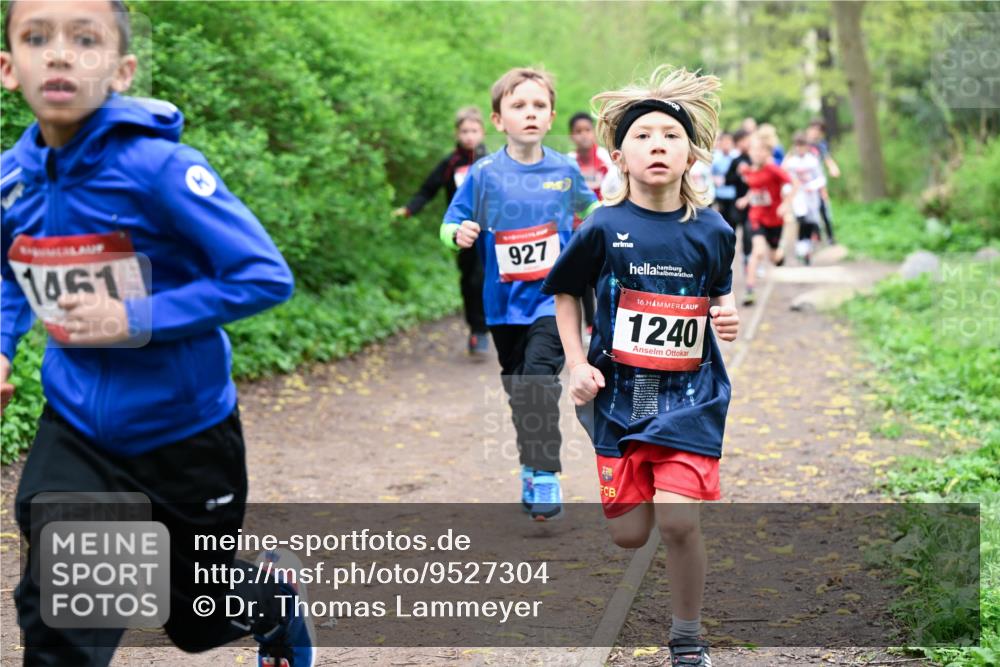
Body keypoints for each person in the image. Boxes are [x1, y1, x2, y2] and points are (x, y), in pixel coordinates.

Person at [0, 2, 312, 665]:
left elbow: (262, 275)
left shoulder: (158, 169)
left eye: (85, 40)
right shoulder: (11, 180)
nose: (58, 53)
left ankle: (273, 600)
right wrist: (0, 346)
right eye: (36, 38)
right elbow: (9, 268)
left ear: (121, 70)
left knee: (195, 618)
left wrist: (134, 317)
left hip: (185, 431)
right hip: (78, 427)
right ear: (9, 68)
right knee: (65, 613)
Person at [542, 65, 739, 667]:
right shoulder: (603, 226)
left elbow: (719, 294)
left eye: (670, 136)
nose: (658, 144)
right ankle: (640, 476)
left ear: (691, 155)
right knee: (630, 534)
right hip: (619, 397)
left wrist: (724, 315)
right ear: (619, 156)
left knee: (679, 524)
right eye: (644, 135)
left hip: (690, 396)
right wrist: (575, 364)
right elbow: (567, 294)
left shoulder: (713, 229)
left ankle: (687, 639)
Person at [441, 67, 598, 520]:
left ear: (550, 118)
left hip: (555, 299)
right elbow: (450, 223)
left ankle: (545, 472)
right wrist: (459, 234)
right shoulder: (485, 174)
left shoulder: (565, 170)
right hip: (504, 304)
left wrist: (601, 217)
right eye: (518, 106)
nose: (529, 113)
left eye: (538, 106)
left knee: (538, 381)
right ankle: (532, 462)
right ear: (498, 120)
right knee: (520, 387)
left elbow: (590, 208)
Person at [393, 107, 490, 356]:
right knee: (471, 279)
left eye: (474, 131)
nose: (469, 136)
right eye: (464, 131)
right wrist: (409, 209)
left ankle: (495, 326)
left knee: (491, 278)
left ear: (483, 132)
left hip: (494, 232)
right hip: (463, 233)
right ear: (457, 134)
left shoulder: (493, 161)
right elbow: (428, 189)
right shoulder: (450, 163)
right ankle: (477, 330)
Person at [566, 111, 615, 335]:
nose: (583, 135)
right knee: (583, 276)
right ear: (571, 136)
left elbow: (615, 189)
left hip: (604, 225)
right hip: (577, 228)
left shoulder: (606, 159)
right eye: (578, 132)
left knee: (603, 274)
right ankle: (589, 324)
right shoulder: (568, 162)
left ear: (594, 132)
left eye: (587, 130)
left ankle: (608, 319)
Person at [739, 133, 792, 305]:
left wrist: (786, 204)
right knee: (757, 251)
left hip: (775, 220)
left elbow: (794, 184)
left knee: (774, 258)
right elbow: (756, 189)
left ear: (768, 153)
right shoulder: (748, 170)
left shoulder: (773, 170)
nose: (757, 153)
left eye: (761, 150)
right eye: (754, 150)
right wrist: (746, 199)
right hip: (757, 217)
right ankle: (749, 290)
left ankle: (779, 251)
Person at [782, 132, 827, 265]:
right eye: (798, 146)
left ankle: (807, 247)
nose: (800, 149)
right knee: (802, 220)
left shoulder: (812, 161)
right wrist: (787, 192)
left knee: (811, 222)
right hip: (798, 196)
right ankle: (801, 248)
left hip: (811, 196)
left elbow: (821, 178)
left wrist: (812, 186)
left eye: (802, 146)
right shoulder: (791, 162)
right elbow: (786, 181)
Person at [806, 118, 839, 243]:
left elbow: (827, 159)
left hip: (817, 182)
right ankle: (813, 236)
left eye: (818, 130)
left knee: (824, 208)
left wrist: (833, 168)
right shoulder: (801, 143)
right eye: (814, 129)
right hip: (803, 184)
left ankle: (830, 237)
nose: (815, 132)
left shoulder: (821, 145)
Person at [724, 129, 753, 270]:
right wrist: (737, 173)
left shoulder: (754, 159)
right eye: (743, 140)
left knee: (749, 232)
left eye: (747, 140)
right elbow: (727, 180)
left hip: (752, 203)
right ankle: (726, 262)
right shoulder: (735, 161)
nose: (746, 143)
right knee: (731, 232)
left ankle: (748, 261)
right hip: (736, 202)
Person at [711, 131, 738, 222]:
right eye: (724, 142)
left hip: (733, 194)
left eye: (728, 142)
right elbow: (709, 174)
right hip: (719, 194)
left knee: (733, 220)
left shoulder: (736, 157)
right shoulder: (715, 157)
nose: (726, 145)